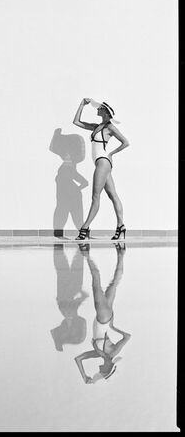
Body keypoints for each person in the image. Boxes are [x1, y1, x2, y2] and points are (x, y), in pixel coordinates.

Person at [72, 98, 130, 240]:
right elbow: (76, 122)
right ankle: (121, 226)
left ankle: (85, 228)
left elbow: (126, 142)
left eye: (100, 108)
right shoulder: (97, 126)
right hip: (101, 163)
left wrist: (110, 154)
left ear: (105, 111)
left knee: (95, 196)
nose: (97, 109)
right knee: (113, 195)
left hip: (102, 162)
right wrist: (81, 105)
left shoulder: (110, 127)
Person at [74, 243, 131, 384]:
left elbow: (78, 358)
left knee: (114, 283)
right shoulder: (112, 353)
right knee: (96, 282)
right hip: (103, 317)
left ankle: (121, 255)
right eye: (102, 371)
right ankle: (86, 253)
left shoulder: (99, 354)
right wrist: (113, 327)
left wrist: (84, 376)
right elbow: (127, 337)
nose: (99, 371)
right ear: (107, 366)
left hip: (106, 317)